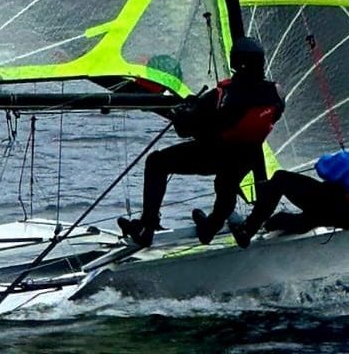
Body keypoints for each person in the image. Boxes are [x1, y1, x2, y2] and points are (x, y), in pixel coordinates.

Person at [118, 37, 285, 248]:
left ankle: (147, 228)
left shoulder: (219, 96)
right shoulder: (277, 93)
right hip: (247, 157)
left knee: (157, 162)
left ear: (235, 62)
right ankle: (211, 227)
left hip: (213, 155)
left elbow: (183, 129)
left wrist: (185, 111)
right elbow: (271, 116)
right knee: (227, 183)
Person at [229, 114, 349, 247]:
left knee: (281, 178)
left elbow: (323, 168)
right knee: (284, 221)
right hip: (348, 219)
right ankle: (280, 225)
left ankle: (248, 230)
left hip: (324, 209)